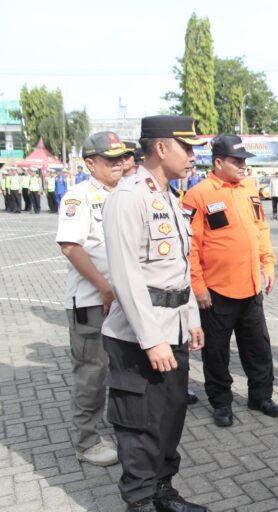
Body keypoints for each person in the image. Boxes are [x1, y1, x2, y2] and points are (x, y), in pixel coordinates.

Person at [100, 116, 208, 512]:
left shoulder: (168, 197)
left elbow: (178, 268)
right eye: (188, 147)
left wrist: (192, 319)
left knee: (169, 418)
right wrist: (152, 339)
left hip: (173, 328)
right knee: (140, 427)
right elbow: (127, 277)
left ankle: (162, 491)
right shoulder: (129, 197)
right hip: (138, 338)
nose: (194, 156)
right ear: (162, 148)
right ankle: (140, 501)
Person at [183, 134, 278, 427]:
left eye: (244, 161)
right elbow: (190, 247)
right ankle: (221, 403)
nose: (243, 166)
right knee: (216, 352)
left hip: (251, 286)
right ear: (218, 162)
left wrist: (268, 263)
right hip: (217, 291)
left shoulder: (250, 189)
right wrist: (198, 286)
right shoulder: (198, 195)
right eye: (237, 161)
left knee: (258, 347)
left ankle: (261, 396)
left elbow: (261, 229)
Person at [56, 131, 129, 468]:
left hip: (123, 301)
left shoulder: (127, 193)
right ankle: (86, 441)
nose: (119, 163)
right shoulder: (79, 196)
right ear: (90, 163)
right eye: (109, 159)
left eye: (121, 157)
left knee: (122, 369)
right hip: (92, 302)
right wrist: (104, 287)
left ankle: (121, 428)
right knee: (92, 372)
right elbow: (71, 246)